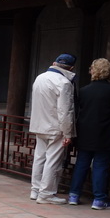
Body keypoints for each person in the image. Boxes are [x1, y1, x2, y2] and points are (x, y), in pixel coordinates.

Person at [67, 58, 110, 209]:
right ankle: (99, 199)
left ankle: (74, 195)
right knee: (101, 165)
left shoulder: (85, 90)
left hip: (85, 133)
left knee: (81, 164)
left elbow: (79, 112)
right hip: (106, 134)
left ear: (92, 71)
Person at [29, 53, 77, 204]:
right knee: (52, 161)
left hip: (39, 124)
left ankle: (35, 190)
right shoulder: (64, 83)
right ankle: (46, 194)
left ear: (54, 63)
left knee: (39, 158)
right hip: (55, 127)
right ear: (71, 68)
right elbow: (65, 111)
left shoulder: (40, 77)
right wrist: (68, 132)